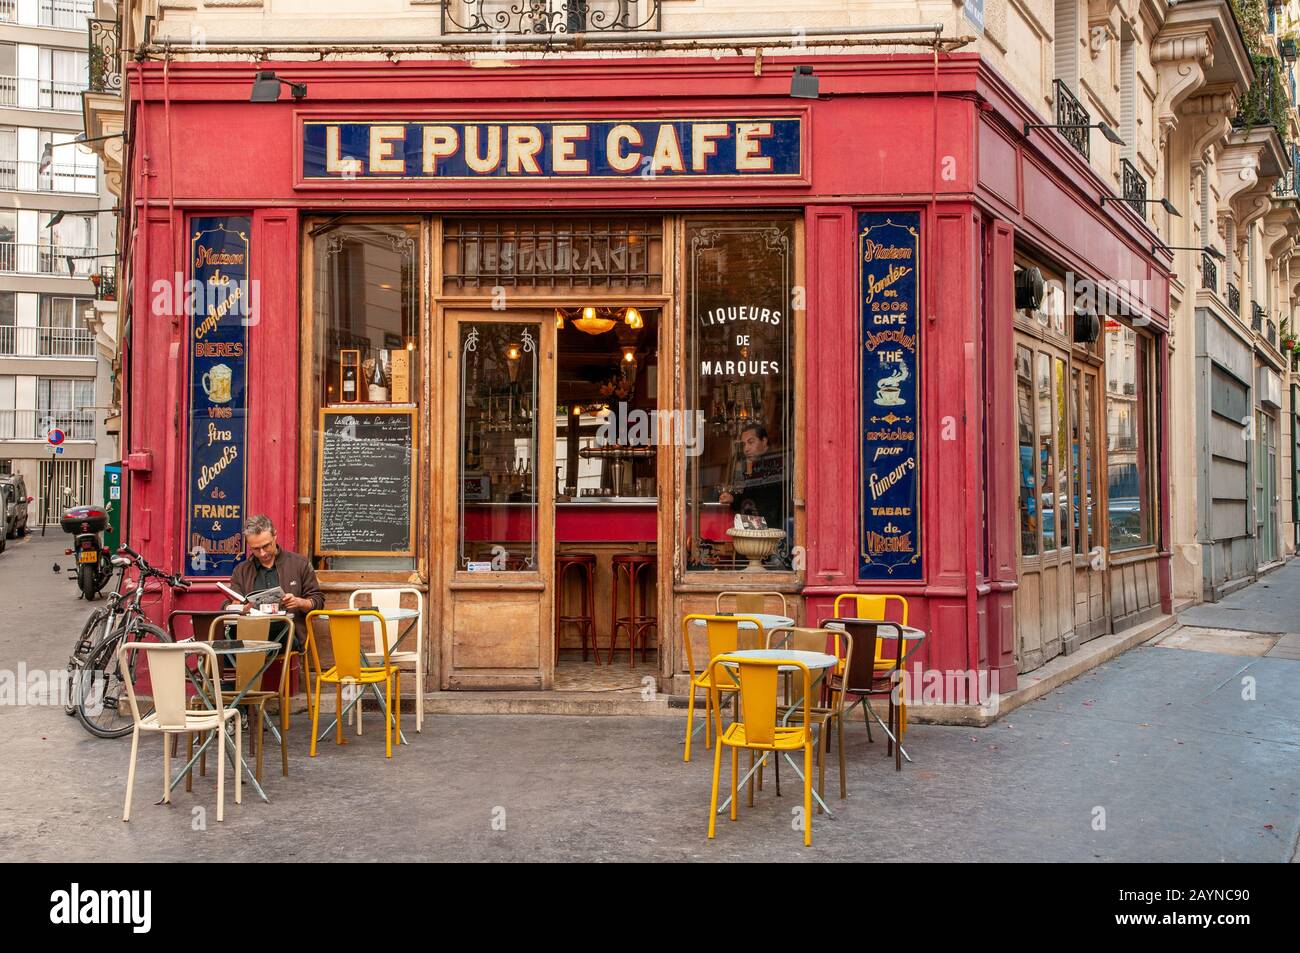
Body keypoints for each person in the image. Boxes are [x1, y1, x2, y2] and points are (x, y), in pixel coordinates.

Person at [228, 514, 324, 648]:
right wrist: (239, 608)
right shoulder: (241, 570)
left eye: (266, 546)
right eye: (255, 549)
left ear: (275, 536)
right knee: (223, 639)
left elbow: (318, 601)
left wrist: (299, 602)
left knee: (253, 639)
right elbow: (229, 604)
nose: (262, 553)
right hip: (249, 630)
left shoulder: (299, 564)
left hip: (288, 632)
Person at [718, 422, 785, 529]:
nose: (746, 449)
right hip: (756, 528)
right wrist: (733, 499)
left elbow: (769, 507)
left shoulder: (776, 464)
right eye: (744, 444)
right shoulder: (755, 466)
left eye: (751, 442)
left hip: (770, 532)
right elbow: (749, 496)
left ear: (764, 441)